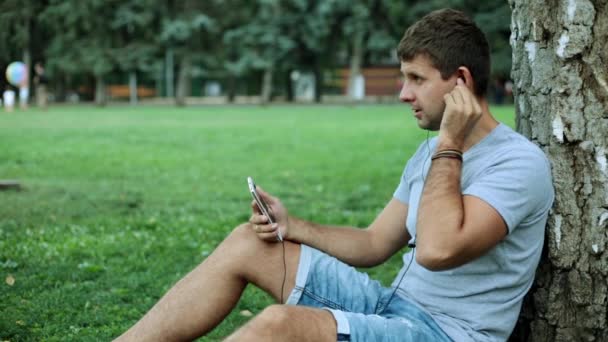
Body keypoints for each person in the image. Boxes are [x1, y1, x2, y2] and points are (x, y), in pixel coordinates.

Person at [115, 8, 554, 342]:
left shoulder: (516, 164)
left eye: (416, 79)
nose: (403, 94)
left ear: (460, 81)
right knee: (250, 243)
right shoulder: (431, 153)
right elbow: (374, 243)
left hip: (446, 333)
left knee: (278, 325)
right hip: (392, 307)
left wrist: (450, 145)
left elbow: (437, 250)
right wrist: (294, 227)